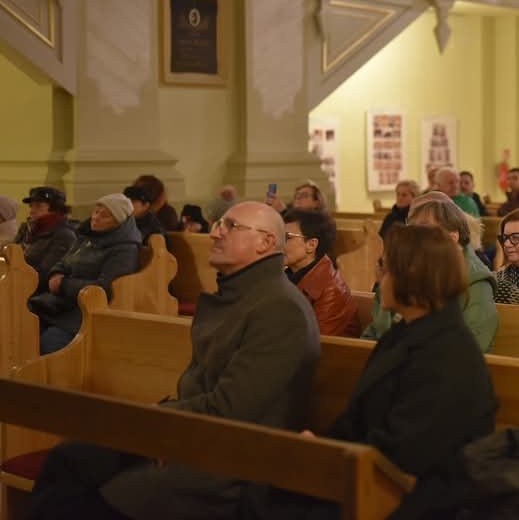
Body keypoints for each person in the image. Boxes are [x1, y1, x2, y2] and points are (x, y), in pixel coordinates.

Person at [29, 201, 321, 520]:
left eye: (230, 227)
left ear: (265, 242)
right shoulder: (245, 295)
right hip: (193, 434)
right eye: (218, 224)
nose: (215, 234)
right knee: (69, 459)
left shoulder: (280, 309)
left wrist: (160, 425)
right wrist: (160, 426)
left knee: (94, 502)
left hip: (231, 462)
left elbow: (231, 410)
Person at [262, 224, 497, 520]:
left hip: (413, 499)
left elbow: (405, 453)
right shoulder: (405, 333)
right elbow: (358, 418)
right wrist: (322, 448)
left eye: (384, 267)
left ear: (412, 275)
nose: (377, 277)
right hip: (370, 474)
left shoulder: (448, 357)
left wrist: (328, 458)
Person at [365, 194, 499, 351]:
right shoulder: (406, 269)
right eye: (411, 229)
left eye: (424, 232)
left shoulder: (475, 282)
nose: (412, 240)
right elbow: (374, 331)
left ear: (452, 238)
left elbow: (470, 349)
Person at [31, 194, 142, 354]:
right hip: (60, 305)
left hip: (83, 314)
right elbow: (64, 261)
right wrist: (56, 274)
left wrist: (63, 285)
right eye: (95, 212)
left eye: (104, 216)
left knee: (49, 342)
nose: (95, 218)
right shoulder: (86, 237)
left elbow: (105, 289)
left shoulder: (124, 249)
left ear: (119, 221)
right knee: (18, 324)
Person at [282, 209, 359, 337]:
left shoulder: (332, 292)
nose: (278, 244)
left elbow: (318, 344)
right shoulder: (285, 275)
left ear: (311, 245)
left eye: (287, 237)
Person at [13, 186, 77, 289]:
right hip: (14, 282)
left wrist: (14, 281)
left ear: (55, 209)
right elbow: (9, 254)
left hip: (35, 289)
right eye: (31, 206)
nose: (32, 211)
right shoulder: (26, 229)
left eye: (38, 206)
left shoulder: (64, 235)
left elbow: (46, 273)